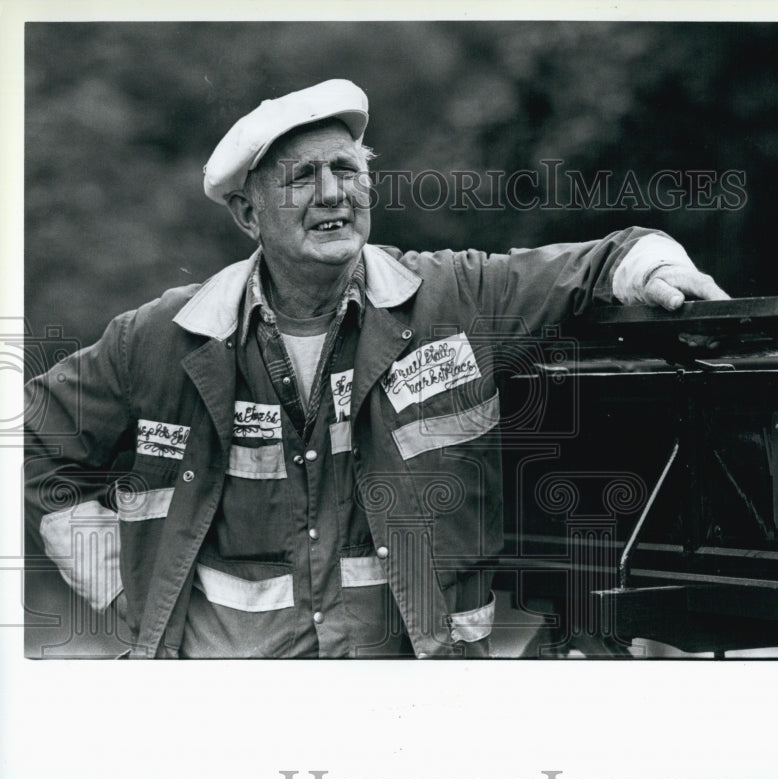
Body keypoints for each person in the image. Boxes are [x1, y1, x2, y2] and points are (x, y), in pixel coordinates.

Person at [23, 79, 730, 659]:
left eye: (348, 171)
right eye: (303, 177)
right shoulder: (163, 338)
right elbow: (29, 443)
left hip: (419, 708)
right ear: (247, 214)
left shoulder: (456, 297)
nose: (334, 194)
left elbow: (601, 259)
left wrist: (657, 266)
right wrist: (125, 587)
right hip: (231, 718)